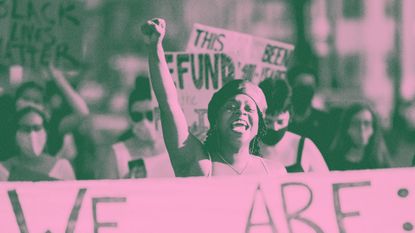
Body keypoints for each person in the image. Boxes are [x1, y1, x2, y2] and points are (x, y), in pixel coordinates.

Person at [142, 18, 286, 177]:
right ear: (216, 119)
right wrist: (155, 49)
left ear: (260, 125)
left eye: (249, 108)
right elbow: (169, 105)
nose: (241, 112)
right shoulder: (199, 165)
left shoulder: (275, 173)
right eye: (231, 107)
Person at [99, 76, 174, 179]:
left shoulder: (174, 150)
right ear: (129, 118)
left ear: (159, 114)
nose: (144, 122)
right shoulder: (116, 155)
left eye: (149, 115)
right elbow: (105, 192)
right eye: (137, 116)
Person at [259, 77, 329, 172]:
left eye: (280, 122)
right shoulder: (245, 146)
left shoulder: (304, 146)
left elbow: (326, 183)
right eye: (268, 122)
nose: (275, 128)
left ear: (290, 117)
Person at [0, 106, 75, 181]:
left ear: (46, 133)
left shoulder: (62, 167)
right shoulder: (3, 170)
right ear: (15, 135)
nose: (32, 135)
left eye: (37, 128)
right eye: (26, 129)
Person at [286, 66, 335, 157]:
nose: (305, 91)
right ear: (290, 88)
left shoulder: (326, 121)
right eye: (301, 86)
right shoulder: (281, 121)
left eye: (310, 87)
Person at [328, 103, 392, 170]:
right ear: (346, 129)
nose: (361, 129)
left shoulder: (381, 162)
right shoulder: (333, 161)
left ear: (373, 129)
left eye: (366, 123)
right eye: (355, 124)